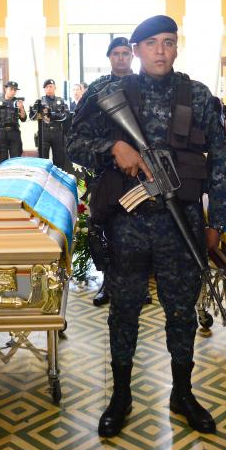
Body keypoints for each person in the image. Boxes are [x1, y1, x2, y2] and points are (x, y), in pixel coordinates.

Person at [67, 15, 226, 437]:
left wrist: (217, 221)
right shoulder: (111, 93)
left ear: (177, 48)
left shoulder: (196, 95)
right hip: (130, 223)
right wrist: (113, 147)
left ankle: (182, 392)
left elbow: (219, 160)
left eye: (169, 43)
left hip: (182, 223)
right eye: (151, 43)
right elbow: (73, 142)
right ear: (136, 50)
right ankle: (120, 395)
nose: (161, 51)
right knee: (124, 311)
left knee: (181, 312)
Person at [88, 36, 136, 307]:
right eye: (116, 53)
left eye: (125, 53)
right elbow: (79, 134)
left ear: (132, 56)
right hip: (106, 171)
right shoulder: (97, 89)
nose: (121, 58)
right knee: (101, 227)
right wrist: (108, 149)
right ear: (109, 57)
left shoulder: (144, 86)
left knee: (137, 231)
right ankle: (107, 280)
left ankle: (137, 284)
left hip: (140, 174)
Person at [29, 78, 73, 172]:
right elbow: (32, 117)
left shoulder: (61, 101)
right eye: (47, 87)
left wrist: (51, 115)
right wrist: (39, 113)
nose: (49, 88)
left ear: (55, 88)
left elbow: (65, 115)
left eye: (51, 86)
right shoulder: (39, 101)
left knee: (59, 159)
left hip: (57, 133)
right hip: (44, 133)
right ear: (44, 89)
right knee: (42, 159)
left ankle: (58, 180)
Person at [0, 81, 26, 162]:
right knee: (3, 160)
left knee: (15, 160)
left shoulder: (17, 102)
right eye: (11, 89)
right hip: (1, 133)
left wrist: (21, 108)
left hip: (14, 133)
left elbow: (23, 118)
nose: (13, 92)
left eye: (15, 90)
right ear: (5, 89)